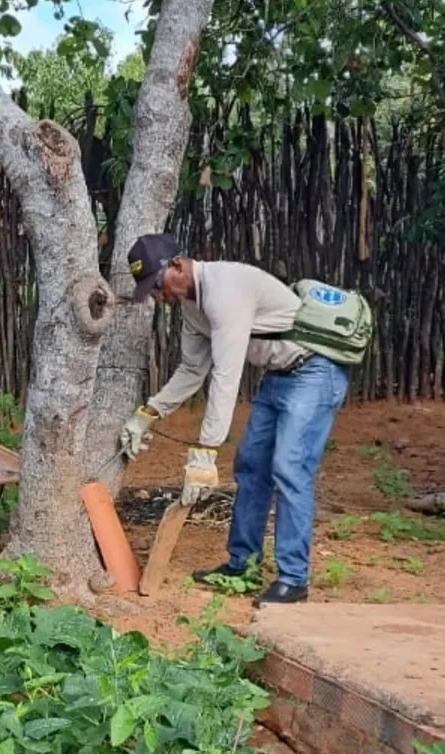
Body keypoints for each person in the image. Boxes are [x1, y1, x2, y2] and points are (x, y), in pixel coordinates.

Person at [120, 234, 348, 606]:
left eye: (158, 285)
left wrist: (206, 450)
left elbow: (226, 375)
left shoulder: (224, 290)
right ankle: (243, 565)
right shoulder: (191, 306)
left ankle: (293, 578)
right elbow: (192, 369)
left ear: (177, 265)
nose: (159, 296)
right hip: (278, 376)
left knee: (289, 468)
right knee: (251, 465)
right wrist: (148, 413)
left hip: (314, 372)